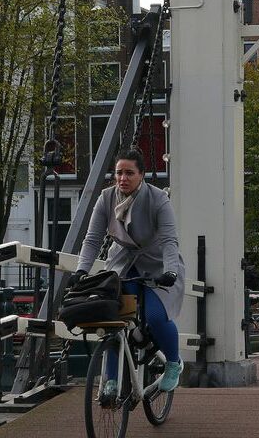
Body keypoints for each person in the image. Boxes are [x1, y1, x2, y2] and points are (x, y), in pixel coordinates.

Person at [74, 150, 186, 395]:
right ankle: (111, 380)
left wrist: (171, 272)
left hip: (157, 264)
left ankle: (173, 363)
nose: (123, 178)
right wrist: (81, 269)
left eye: (129, 173)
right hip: (122, 264)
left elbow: (169, 240)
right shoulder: (106, 198)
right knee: (115, 319)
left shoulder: (158, 199)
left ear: (141, 175)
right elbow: (92, 239)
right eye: (118, 173)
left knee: (156, 315)